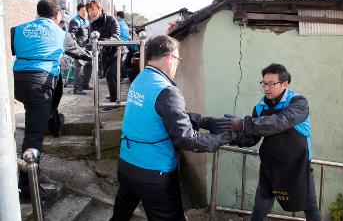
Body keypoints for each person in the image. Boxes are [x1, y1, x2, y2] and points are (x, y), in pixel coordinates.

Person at [110, 35, 238, 221]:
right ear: (169, 58)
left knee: (120, 216)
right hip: (154, 174)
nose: (178, 64)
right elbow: (186, 138)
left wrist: (203, 121)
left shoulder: (140, 79)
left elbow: (157, 115)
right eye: (178, 59)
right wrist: (224, 138)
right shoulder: (167, 90)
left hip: (127, 166)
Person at [11, 0, 92, 202]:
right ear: (57, 16)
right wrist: (91, 53)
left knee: (52, 98)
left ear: (38, 13)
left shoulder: (17, 29)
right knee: (33, 135)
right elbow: (79, 53)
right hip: (40, 85)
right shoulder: (60, 33)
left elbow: (15, 49)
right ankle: (27, 188)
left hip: (20, 83)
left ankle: (54, 124)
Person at [224, 63, 320, 221]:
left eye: (271, 84)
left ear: (284, 84)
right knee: (259, 210)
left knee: (310, 208)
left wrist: (243, 124)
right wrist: (229, 136)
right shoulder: (260, 107)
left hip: (298, 167)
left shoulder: (298, 102)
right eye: (264, 83)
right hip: (270, 168)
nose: (266, 88)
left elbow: (282, 121)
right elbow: (251, 138)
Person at [86, 0, 120, 111]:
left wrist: (102, 42)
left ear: (100, 9)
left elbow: (116, 37)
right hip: (104, 55)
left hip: (117, 53)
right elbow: (91, 41)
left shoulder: (112, 20)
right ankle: (114, 96)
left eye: (93, 9)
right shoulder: (92, 25)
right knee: (108, 76)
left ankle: (114, 103)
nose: (91, 12)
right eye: (89, 10)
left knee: (111, 74)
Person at [69, 3, 92, 95]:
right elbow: (71, 35)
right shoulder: (75, 21)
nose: (85, 13)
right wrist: (75, 48)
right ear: (78, 11)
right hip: (79, 47)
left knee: (89, 65)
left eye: (87, 11)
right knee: (79, 67)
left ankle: (85, 84)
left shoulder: (86, 21)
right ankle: (77, 89)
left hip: (87, 47)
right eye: (83, 11)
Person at [116, 11, 130, 83]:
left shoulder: (118, 24)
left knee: (120, 61)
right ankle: (124, 76)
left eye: (117, 16)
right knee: (123, 61)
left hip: (120, 44)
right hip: (126, 44)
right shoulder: (125, 24)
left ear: (118, 16)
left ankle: (122, 77)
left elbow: (116, 34)